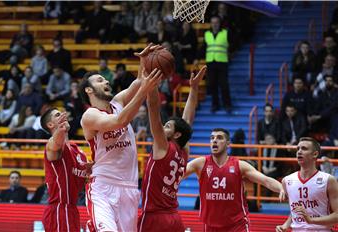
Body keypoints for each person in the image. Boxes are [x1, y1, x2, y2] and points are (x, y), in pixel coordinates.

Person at [79, 44, 163, 232]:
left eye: (106, 80)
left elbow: (140, 82)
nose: (106, 82)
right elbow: (120, 121)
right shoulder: (90, 115)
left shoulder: (117, 102)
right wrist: (143, 91)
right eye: (100, 80)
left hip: (129, 187)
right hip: (103, 186)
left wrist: (145, 61)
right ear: (89, 90)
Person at [138, 66, 207, 232]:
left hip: (154, 217)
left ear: (176, 135)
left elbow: (154, 109)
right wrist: (194, 88)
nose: (163, 126)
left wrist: (151, 84)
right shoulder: (184, 151)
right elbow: (187, 120)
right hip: (174, 218)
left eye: (167, 126)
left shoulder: (162, 145)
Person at [184, 128, 285, 231]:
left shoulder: (239, 165)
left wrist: (281, 188)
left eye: (219, 138)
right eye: (212, 138)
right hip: (211, 225)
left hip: (236, 225)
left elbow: (265, 180)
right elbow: (177, 174)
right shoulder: (200, 163)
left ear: (228, 144)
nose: (214, 140)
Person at [40, 107, 93, 232]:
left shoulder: (77, 151)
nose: (63, 115)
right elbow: (55, 144)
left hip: (73, 209)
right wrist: (60, 129)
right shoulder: (53, 145)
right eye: (58, 115)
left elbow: (84, 178)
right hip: (58, 209)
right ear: (50, 124)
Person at [276, 137, 338, 232]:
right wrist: (285, 225)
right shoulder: (287, 180)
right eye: (298, 149)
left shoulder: (328, 180)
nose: (299, 152)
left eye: (304, 149)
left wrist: (311, 220)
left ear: (315, 154)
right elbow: (295, 211)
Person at [199, 16, 232, 113]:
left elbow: (233, 43)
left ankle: (227, 104)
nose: (215, 24)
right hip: (211, 62)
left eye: (216, 22)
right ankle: (215, 104)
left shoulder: (225, 33)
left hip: (222, 62)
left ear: (219, 23)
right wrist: (197, 57)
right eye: (213, 22)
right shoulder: (207, 34)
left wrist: (231, 53)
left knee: (224, 84)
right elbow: (204, 47)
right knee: (212, 84)